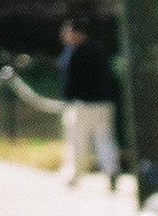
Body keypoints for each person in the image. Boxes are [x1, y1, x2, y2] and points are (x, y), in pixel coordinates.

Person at [56, 17, 119, 188]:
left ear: (76, 34)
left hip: (81, 103)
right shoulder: (100, 49)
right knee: (104, 139)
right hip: (104, 102)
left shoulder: (73, 52)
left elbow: (70, 80)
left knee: (77, 141)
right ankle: (111, 170)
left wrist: (67, 100)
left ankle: (74, 174)